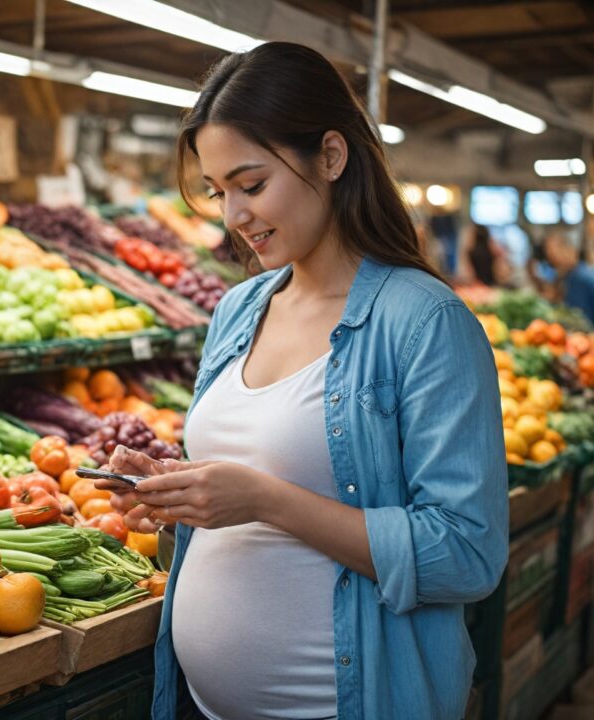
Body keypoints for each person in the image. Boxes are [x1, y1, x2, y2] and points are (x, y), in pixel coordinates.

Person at [100, 42, 508, 720]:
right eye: (217, 191)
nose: (233, 216)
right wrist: (175, 504)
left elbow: (466, 555)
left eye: (252, 185)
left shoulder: (424, 323)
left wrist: (266, 499)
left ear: (331, 156)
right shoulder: (238, 309)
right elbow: (236, 515)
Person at [544, 233, 594, 323]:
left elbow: (582, 319)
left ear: (571, 251)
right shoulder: (564, 277)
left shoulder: (583, 279)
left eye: (555, 254)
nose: (552, 259)